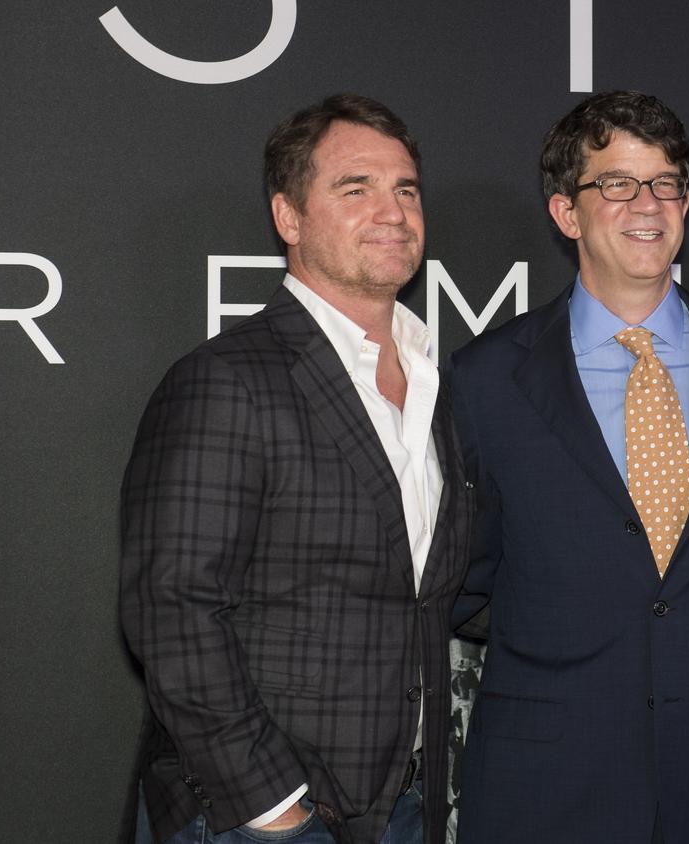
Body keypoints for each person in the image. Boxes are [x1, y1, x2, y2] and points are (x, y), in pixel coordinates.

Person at [444, 90, 689, 843]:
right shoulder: (487, 378)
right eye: (617, 183)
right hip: (542, 785)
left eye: (666, 183)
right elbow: (460, 579)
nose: (648, 204)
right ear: (566, 212)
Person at [120, 94, 472, 844]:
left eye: (406, 189)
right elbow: (173, 608)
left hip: (405, 806)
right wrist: (274, 811)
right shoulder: (227, 379)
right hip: (255, 820)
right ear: (289, 217)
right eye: (356, 188)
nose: (393, 212)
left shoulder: (435, 386)